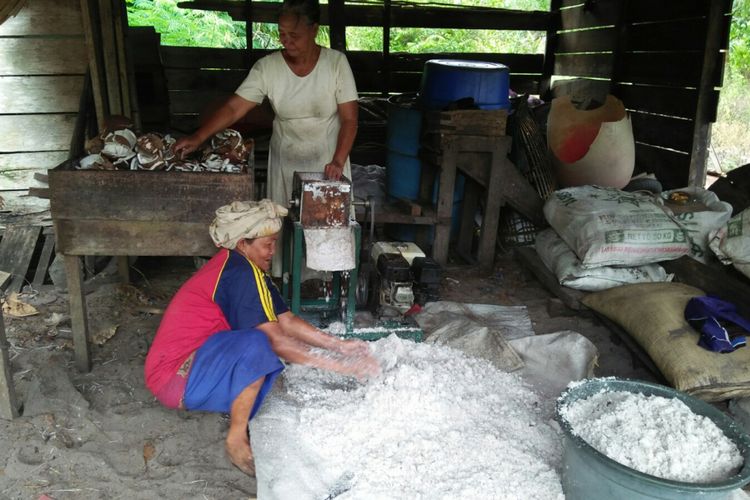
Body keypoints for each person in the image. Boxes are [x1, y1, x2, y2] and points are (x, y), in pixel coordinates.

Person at [144, 199, 379, 477]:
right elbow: (277, 340)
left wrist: (339, 346)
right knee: (257, 346)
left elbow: (287, 320)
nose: (273, 251)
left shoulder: (247, 268)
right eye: (267, 244)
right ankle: (235, 437)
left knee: (260, 349)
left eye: (275, 243)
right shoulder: (238, 273)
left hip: (186, 366)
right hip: (173, 377)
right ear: (243, 244)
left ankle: (232, 412)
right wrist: (344, 367)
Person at [173, 0, 359, 275]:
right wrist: (199, 137)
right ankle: (286, 286)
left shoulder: (335, 63)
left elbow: (350, 118)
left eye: (294, 35)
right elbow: (235, 107)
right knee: (284, 229)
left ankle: (329, 286)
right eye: (282, 34)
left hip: (328, 160)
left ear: (314, 30)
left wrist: (338, 160)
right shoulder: (268, 68)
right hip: (286, 158)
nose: (287, 41)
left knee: (328, 231)